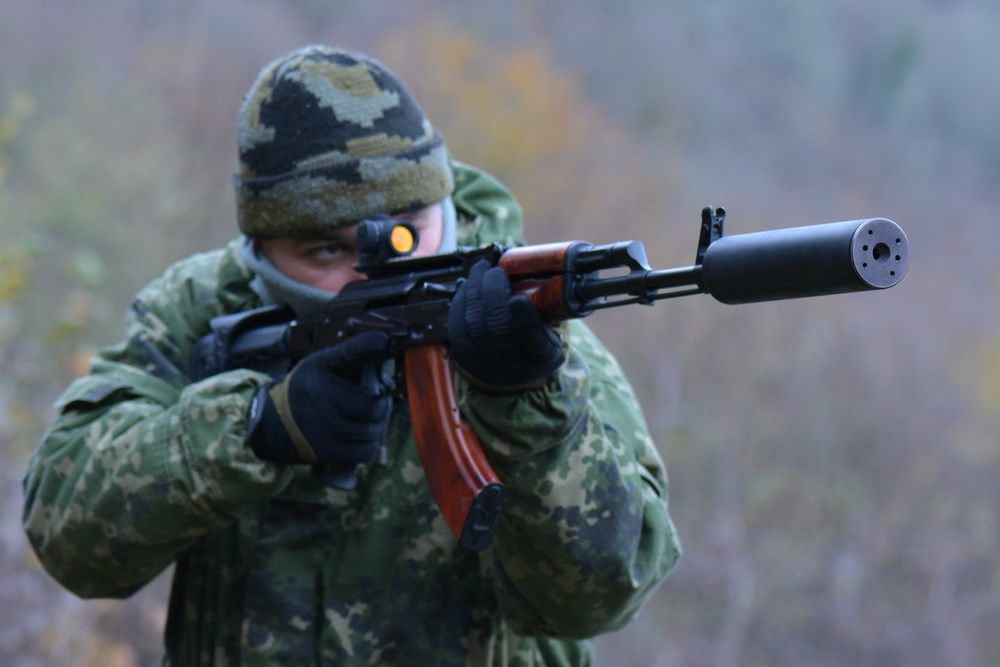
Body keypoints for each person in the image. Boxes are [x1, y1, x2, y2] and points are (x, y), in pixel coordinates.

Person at [22, 45, 681, 666]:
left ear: (443, 203)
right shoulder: (201, 307)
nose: (375, 270)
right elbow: (67, 535)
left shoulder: (530, 334)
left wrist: (527, 409)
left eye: (408, 230)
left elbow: (605, 594)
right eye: (327, 250)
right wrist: (254, 429)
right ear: (261, 247)